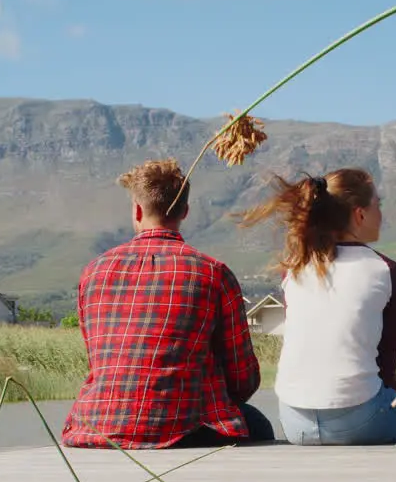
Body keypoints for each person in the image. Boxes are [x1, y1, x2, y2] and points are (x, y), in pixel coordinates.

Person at [61, 158, 275, 449]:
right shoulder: (213, 272)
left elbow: (100, 363)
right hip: (186, 429)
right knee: (258, 424)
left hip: (97, 427)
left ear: (137, 210)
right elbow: (243, 379)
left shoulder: (93, 272)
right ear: (185, 212)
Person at [239, 168, 396, 446]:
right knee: (395, 406)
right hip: (360, 418)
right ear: (360, 214)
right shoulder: (389, 272)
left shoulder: (295, 268)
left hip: (294, 421)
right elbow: (384, 369)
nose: (382, 215)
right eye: (379, 205)